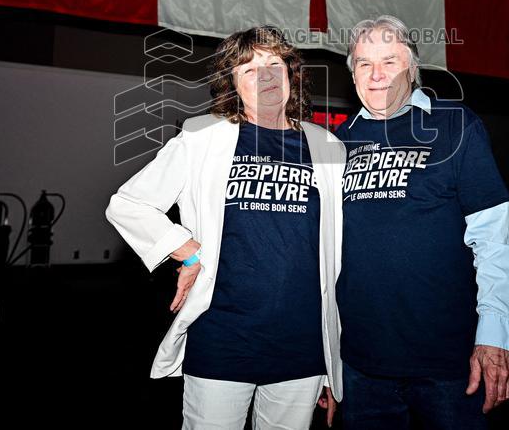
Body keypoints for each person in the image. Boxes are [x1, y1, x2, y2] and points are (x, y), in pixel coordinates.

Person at [106, 25, 346, 430]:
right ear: (231, 84)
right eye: (249, 69)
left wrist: (332, 366)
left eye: (274, 64)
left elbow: (337, 253)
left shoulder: (327, 146)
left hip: (302, 344)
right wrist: (186, 249)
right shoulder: (203, 139)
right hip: (223, 336)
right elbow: (128, 204)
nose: (266, 76)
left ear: (291, 73)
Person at [334, 15, 509, 429]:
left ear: (413, 69)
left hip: (450, 365)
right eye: (364, 63)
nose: (377, 74)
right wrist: (328, 363)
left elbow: (495, 241)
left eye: (390, 61)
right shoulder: (338, 142)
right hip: (362, 366)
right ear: (353, 76)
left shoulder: (455, 125)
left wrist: (493, 336)